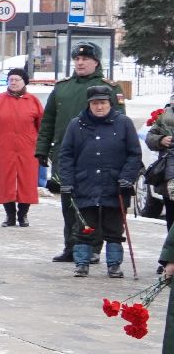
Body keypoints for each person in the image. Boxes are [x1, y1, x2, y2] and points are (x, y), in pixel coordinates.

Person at [37, 43, 125, 264]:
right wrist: (42, 149)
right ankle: (71, 246)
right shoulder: (62, 88)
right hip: (65, 155)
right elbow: (48, 121)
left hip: (96, 156)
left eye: (85, 59)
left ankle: (92, 247)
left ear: (96, 62)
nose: (80, 62)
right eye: (76, 59)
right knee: (69, 203)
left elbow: (120, 125)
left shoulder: (109, 88)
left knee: (93, 203)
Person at [56, 85, 142, 278]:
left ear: (110, 103)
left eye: (103, 102)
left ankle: (114, 265)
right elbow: (66, 156)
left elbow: (134, 154)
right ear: (89, 104)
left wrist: (127, 177)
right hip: (85, 184)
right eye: (95, 103)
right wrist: (67, 182)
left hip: (116, 186)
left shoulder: (124, 123)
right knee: (85, 227)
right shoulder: (76, 124)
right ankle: (81, 263)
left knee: (114, 229)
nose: (99, 107)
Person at [0, 68, 43, 227]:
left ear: (24, 82)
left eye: (17, 80)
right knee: (5, 181)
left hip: (28, 148)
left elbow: (42, 125)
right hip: (4, 148)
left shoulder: (33, 101)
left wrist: (42, 146)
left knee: (26, 181)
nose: (13, 82)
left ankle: (23, 215)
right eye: (11, 80)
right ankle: (10, 216)